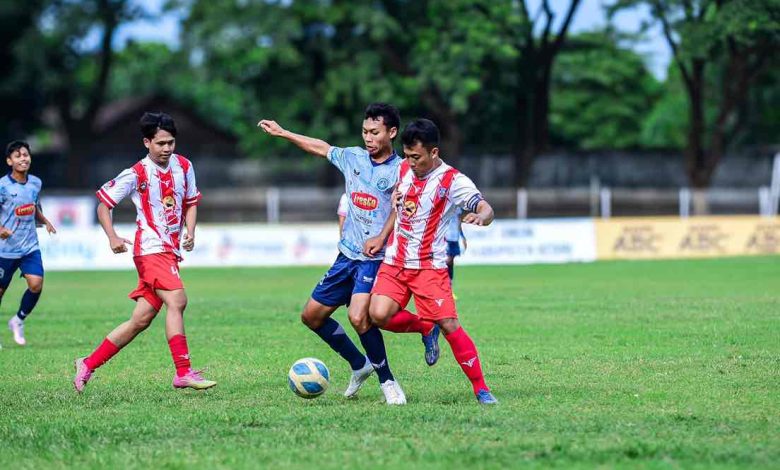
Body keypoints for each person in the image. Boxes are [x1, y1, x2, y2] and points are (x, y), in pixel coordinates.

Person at [258, 103, 438, 405]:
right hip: (347, 256)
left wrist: (382, 237)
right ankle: (359, 364)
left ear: (391, 133)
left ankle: (388, 381)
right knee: (311, 316)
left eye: (375, 132)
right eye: (365, 131)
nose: (368, 137)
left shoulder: (401, 170)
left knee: (359, 316)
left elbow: (402, 209)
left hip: (376, 259)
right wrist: (283, 133)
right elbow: (321, 147)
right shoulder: (353, 157)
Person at [73, 112, 215, 392]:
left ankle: (87, 364)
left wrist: (190, 231)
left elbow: (191, 201)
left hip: (169, 250)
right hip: (149, 249)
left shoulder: (184, 166)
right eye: (160, 143)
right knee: (178, 301)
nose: (166, 149)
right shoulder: (136, 173)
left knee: (140, 320)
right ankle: (183, 372)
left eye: (171, 143)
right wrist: (112, 236)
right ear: (147, 142)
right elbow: (103, 204)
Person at [368, 118, 498, 404]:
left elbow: (485, 207)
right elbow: (397, 199)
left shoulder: (453, 181)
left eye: (417, 157)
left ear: (434, 152)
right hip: (395, 262)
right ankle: (426, 327)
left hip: (428, 266)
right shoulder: (403, 168)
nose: (411, 162)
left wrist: (482, 217)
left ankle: (481, 389)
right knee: (377, 315)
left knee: (450, 324)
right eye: (408, 155)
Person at [1, 141, 56, 347]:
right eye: (17, 156)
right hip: (5, 250)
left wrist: (45, 221)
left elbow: (34, 206)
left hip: (29, 247)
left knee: (36, 284)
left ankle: (18, 320)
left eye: (25, 154)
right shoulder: (2, 186)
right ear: (9, 161)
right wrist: (1, 230)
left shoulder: (35, 183)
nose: (23, 158)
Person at [445, 207, 467, 297]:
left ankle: (449, 289)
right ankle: (444, 287)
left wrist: (462, 236)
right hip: (445, 236)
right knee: (446, 261)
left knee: (451, 262)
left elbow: (459, 222)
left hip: (455, 236)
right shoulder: (443, 204)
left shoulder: (457, 206)